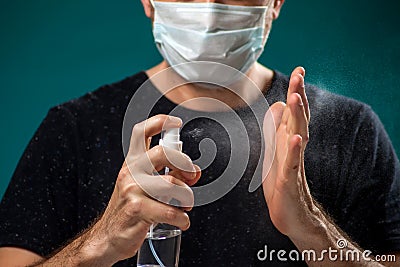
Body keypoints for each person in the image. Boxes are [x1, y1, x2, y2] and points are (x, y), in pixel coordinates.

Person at [0, 0, 399, 266]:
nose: (208, 13)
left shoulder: (351, 130)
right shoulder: (72, 131)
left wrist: (311, 228)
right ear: (148, 2)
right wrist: (98, 244)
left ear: (275, 2)